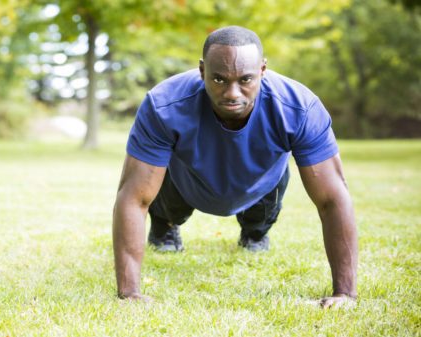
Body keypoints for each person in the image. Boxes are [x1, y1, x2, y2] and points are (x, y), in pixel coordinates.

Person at [112, 26, 357, 308]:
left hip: (261, 182)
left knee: (257, 227)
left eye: (246, 79)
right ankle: (165, 226)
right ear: (201, 70)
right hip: (186, 180)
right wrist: (129, 293)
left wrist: (344, 294)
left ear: (263, 70)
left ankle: (255, 232)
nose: (232, 93)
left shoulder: (299, 108)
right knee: (159, 188)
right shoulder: (163, 105)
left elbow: (332, 199)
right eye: (218, 79)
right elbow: (133, 197)